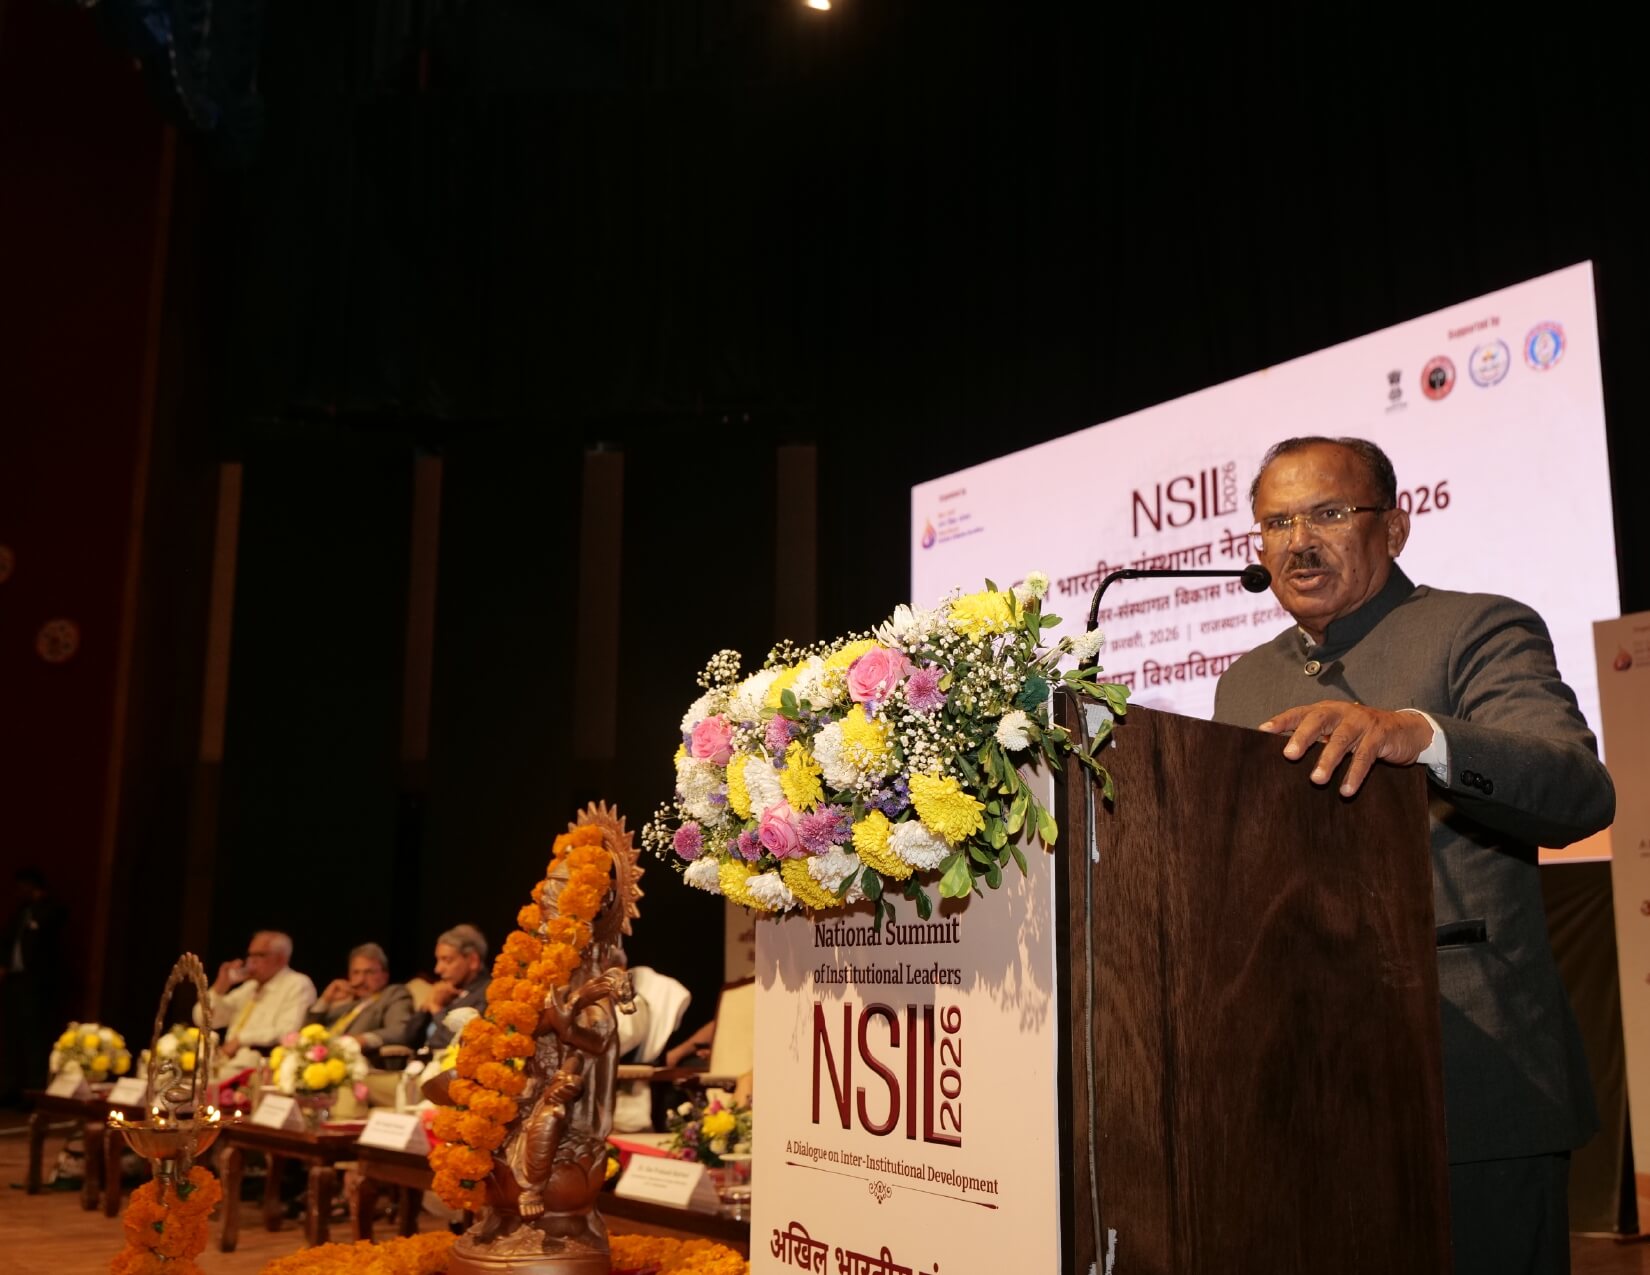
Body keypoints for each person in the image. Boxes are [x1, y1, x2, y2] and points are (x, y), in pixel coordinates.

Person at [1212, 436, 1615, 1275]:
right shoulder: (1243, 681)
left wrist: (1421, 736)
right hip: (1303, 1092)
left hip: (1470, 1083)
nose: (1298, 541)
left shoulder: (1477, 628)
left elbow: (1579, 790)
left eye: (1329, 513)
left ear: (1394, 529)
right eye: (1277, 522)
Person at [0, 867, 66, 1104]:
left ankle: (34, 1090)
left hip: (37, 984)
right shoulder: (20, 912)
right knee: (11, 1036)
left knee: (33, 1038)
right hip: (14, 980)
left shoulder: (50, 910)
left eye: (22, 887)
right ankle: (10, 1088)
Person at [201, 930, 317, 1056]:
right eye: (250, 955)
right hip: (227, 1059)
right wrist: (219, 987)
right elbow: (205, 1020)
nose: (251, 961)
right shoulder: (250, 987)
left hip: (263, 1061)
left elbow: (289, 1032)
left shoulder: (298, 984)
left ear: (281, 959)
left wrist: (241, 1039)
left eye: (260, 955)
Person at [306, 942, 418, 1060]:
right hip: (320, 1058)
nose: (361, 980)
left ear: (385, 975)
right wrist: (325, 1000)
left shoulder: (393, 994)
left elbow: (400, 1031)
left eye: (369, 972)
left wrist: (363, 1040)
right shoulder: (349, 1004)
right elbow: (307, 1031)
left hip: (356, 1060)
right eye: (356, 973)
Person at [423, 924, 491, 1051]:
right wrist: (427, 1005)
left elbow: (460, 1040)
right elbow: (407, 1037)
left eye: (447, 960)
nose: (437, 969)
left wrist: (436, 1009)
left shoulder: (488, 993)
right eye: (438, 960)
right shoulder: (446, 992)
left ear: (473, 961)